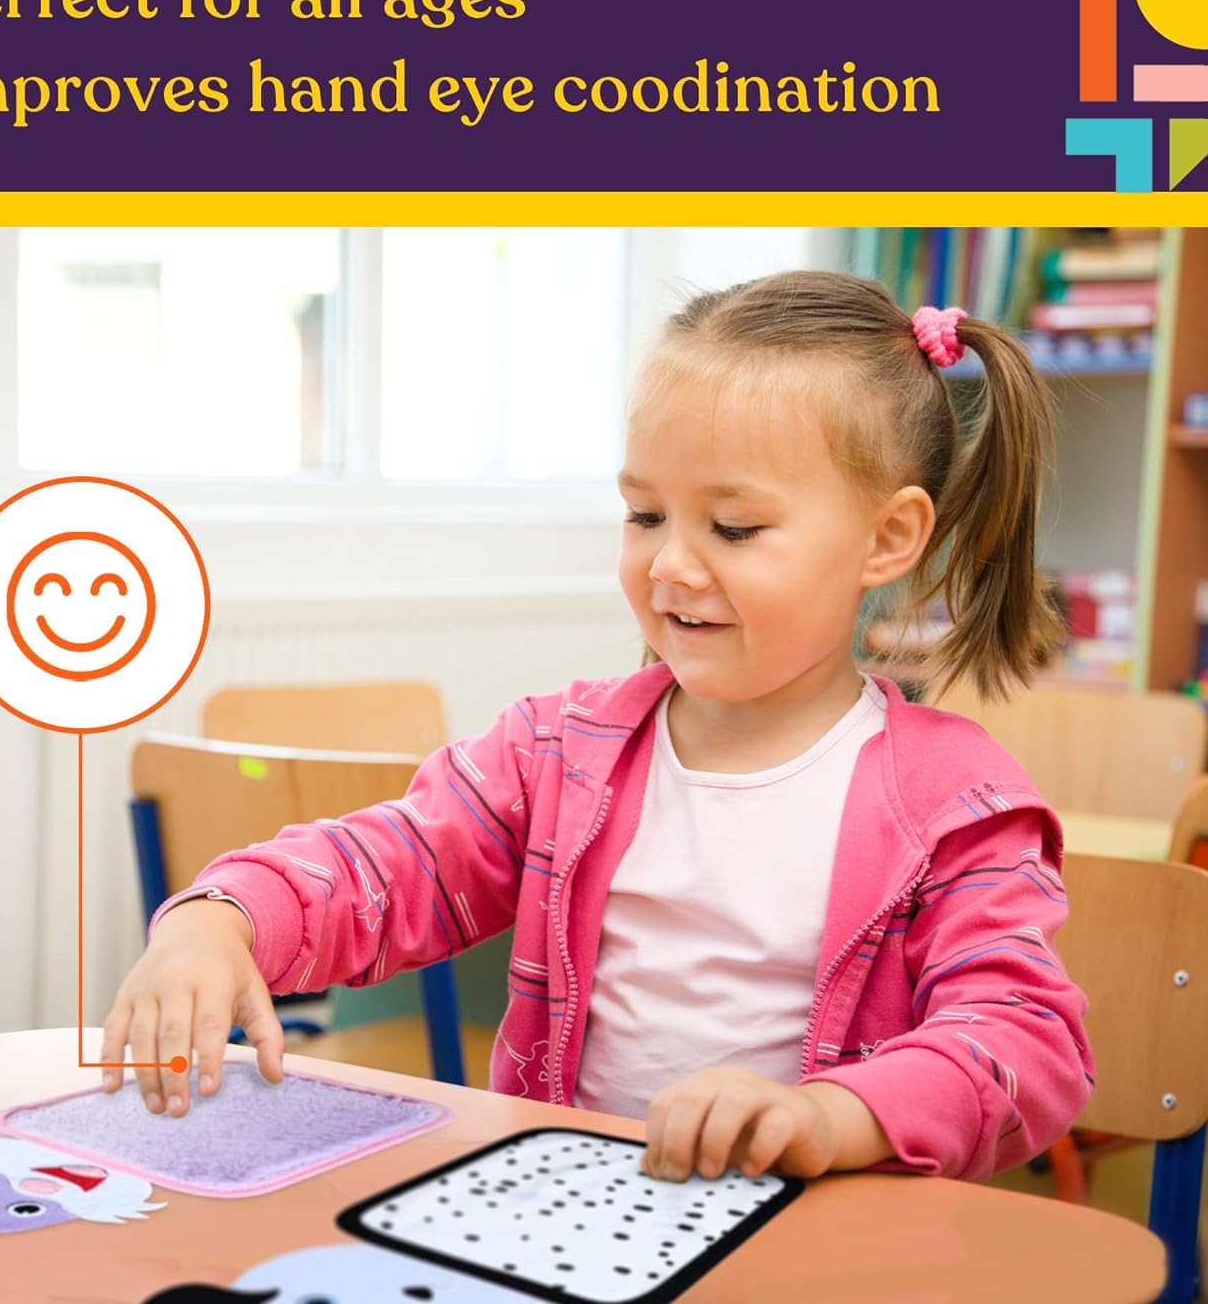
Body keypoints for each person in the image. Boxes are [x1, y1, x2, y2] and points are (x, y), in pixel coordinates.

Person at [101, 270, 1092, 1186]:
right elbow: (386, 864)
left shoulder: (957, 804)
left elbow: (1025, 1042)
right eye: (644, 515)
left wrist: (828, 1118)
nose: (671, 565)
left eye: (733, 528)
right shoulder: (557, 751)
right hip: (572, 1208)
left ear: (888, 537)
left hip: (820, 1251)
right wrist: (219, 920)